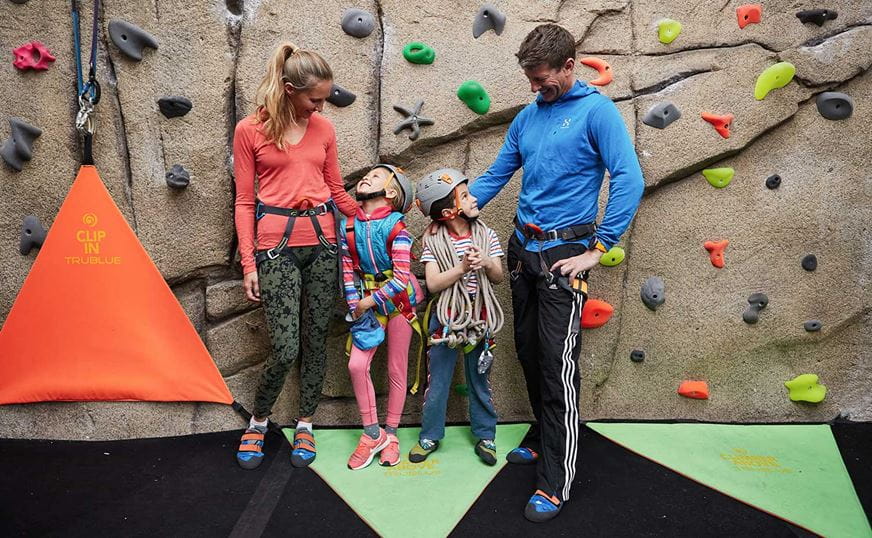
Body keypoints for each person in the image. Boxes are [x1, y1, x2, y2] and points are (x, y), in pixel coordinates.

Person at [469, 24, 644, 521]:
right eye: (530, 78)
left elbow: (629, 177)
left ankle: (556, 479)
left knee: (557, 365)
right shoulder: (528, 117)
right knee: (527, 351)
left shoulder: (597, 112)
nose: (534, 87)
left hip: (565, 257)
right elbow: (498, 173)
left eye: (542, 79)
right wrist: (459, 209)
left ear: (570, 65)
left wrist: (600, 247)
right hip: (523, 250)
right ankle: (541, 435)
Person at [232, 42, 358, 470]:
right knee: (286, 347)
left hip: (324, 245)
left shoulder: (323, 128)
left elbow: (337, 190)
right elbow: (244, 202)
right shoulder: (250, 129)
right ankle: (259, 420)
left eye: (324, 98)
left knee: (315, 340)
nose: (320, 107)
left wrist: (372, 223)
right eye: (314, 98)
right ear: (288, 89)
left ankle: (306, 422)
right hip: (276, 247)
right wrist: (249, 263)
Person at [409, 168, 505, 467]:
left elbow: (499, 276)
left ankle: (486, 435)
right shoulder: (434, 242)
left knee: (480, 379)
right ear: (450, 211)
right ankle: (430, 435)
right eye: (465, 195)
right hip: (446, 319)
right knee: (438, 381)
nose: (474, 199)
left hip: (479, 317)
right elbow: (434, 284)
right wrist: (462, 268)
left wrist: (486, 261)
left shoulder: (486, 234)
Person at [340, 164, 420, 469]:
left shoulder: (399, 230)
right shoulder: (349, 227)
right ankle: (372, 434)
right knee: (357, 364)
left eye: (375, 176)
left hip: (399, 303)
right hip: (366, 306)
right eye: (366, 175)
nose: (365, 177)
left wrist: (369, 301)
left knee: (396, 368)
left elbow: (401, 278)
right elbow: (347, 270)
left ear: (390, 193)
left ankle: (392, 433)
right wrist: (354, 304)